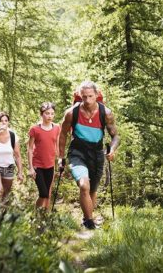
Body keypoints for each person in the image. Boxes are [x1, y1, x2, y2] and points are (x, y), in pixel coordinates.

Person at [58, 81, 120, 230]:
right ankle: (89, 223)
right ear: (80, 96)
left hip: (97, 153)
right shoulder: (72, 113)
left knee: (92, 189)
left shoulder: (106, 113)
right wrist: (61, 157)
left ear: (97, 95)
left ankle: (87, 218)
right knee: (84, 185)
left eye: (90, 96)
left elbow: (116, 136)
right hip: (77, 152)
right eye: (84, 97)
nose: (87, 100)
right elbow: (62, 135)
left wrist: (112, 149)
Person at [27, 102, 61, 211]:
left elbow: (56, 146)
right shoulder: (35, 129)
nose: (50, 116)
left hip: (50, 165)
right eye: (47, 113)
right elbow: (30, 148)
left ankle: (45, 216)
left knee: (48, 194)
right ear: (41, 114)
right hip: (38, 165)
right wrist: (31, 168)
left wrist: (59, 161)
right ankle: (35, 214)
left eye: (52, 113)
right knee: (43, 193)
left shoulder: (56, 128)